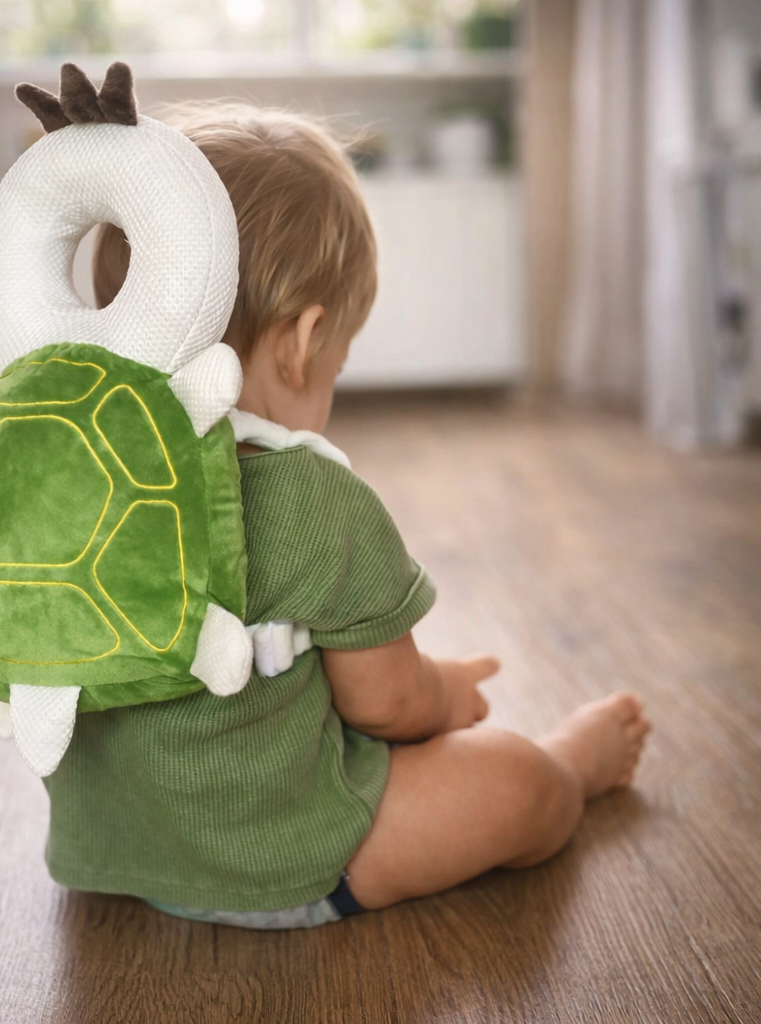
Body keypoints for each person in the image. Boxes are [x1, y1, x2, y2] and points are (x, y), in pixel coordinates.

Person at [42, 102, 651, 928]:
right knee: (518, 780)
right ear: (304, 340)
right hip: (285, 858)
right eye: (339, 361)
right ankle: (572, 766)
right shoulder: (309, 497)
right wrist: (446, 695)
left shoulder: (66, 475)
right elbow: (387, 705)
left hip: (113, 853)